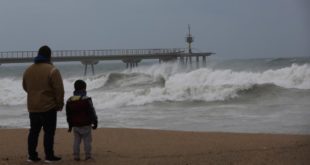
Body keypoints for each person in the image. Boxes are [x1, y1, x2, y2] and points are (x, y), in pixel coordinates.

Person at [22, 45, 64, 163]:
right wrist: (59, 104)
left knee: (33, 132)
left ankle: (32, 156)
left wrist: (34, 95)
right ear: (49, 55)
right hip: (48, 106)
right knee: (49, 132)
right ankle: (49, 156)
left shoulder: (28, 70)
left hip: (33, 107)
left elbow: (25, 87)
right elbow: (59, 90)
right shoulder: (52, 70)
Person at [66, 79, 98, 161]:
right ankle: (88, 156)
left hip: (75, 124)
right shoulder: (86, 99)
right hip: (86, 124)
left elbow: (68, 115)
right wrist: (95, 121)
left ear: (75, 88)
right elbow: (92, 111)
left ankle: (76, 156)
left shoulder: (70, 100)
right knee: (87, 140)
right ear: (84, 88)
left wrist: (70, 125)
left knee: (76, 141)